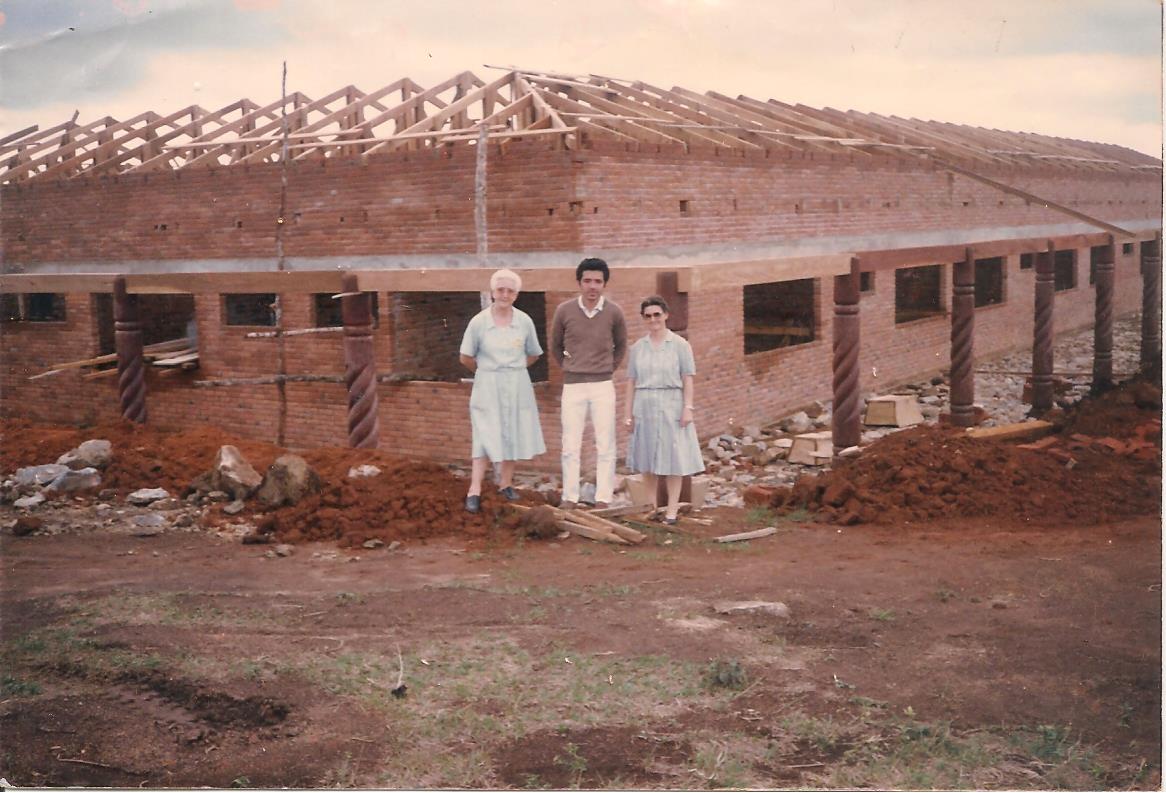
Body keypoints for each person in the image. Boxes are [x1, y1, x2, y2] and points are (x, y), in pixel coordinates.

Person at [459, 269, 546, 513]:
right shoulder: (479, 322)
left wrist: (514, 370)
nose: (505, 295)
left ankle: (505, 484)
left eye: (510, 291)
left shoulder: (524, 321)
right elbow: (466, 356)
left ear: (516, 294)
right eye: (500, 290)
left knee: (511, 429)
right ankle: (474, 488)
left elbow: (533, 354)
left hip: (516, 383)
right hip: (487, 383)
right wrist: (486, 371)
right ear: (492, 292)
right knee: (485, 432)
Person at [550, 258, 628, 509]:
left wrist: (606, 369)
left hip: (603, 385)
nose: (592, 286)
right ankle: (570, 497)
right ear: (579, 283)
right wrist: (570, 369)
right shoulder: (564, 311)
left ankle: (603, 497)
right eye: (587, 281)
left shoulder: (614, 312)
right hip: (573, 386)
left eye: (597, 281)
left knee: (605, 443)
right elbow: (555, 345)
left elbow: (621, 345)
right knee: (570, 444)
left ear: (604, 284)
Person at [623, 296, 704, 524]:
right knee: (646, 458)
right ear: (643, 319)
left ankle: (671, 510)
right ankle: (653, 507)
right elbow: (631, 382)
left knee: (673, 458)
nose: (653, 320)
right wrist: (627, 414)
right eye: (648, 316)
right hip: (645, 402)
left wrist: (688, 408)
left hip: (671, 403)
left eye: (657, 314)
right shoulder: (638, 348)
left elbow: (687, 378)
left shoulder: (680, 345)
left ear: (666, 315)